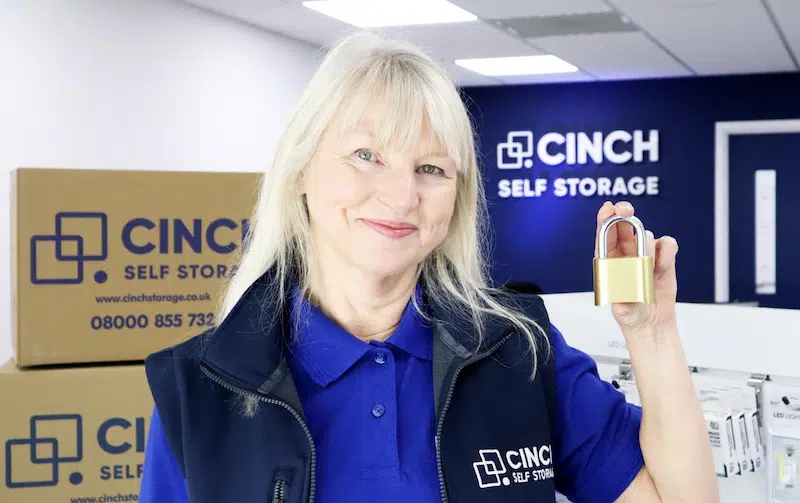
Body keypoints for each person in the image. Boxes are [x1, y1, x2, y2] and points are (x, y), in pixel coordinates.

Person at [139, 31, 718, 503]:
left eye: (432, 169)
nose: (401, 195)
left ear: (456, 199)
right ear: (300, 173)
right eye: (366, 155)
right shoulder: (201, 386)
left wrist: (652, 332)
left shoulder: (518, 350)